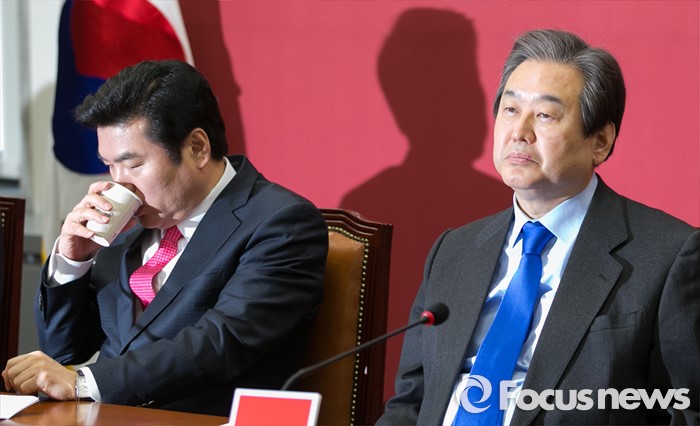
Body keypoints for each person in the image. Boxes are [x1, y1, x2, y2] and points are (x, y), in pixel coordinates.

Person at [377, 29, 699, 425]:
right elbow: (409, 404)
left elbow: (689, 411)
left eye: (545, 115)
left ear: (600, 141)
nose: (519, 132)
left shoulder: (668, 255)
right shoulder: (454, 251)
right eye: (510, 110)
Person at [2, 60, 328, 416]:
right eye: (109, 165)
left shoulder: (280, 222)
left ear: (197, 148)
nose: (119, 184)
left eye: (133, 165)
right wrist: (72, 262)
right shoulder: (123, 230)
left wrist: (83, 383)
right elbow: (64, 351)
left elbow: (223, 341)